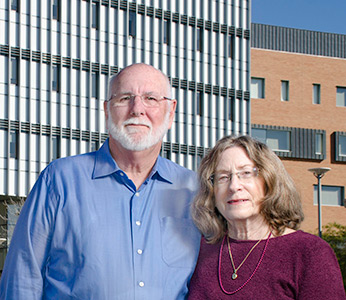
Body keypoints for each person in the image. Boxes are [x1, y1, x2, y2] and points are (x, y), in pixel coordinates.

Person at [0, 63, 201, 299]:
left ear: (170, 112)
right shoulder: (59, 180)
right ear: (107, 110)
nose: (137, 109)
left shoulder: (194, 191)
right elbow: (23, 278)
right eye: (125, 98)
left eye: (151, 98)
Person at [188, 135, 346, 299]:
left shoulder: (309, 252)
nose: (234, 186)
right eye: (223, 177)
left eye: (246, 173)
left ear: (269, 181)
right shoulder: (199, 249)